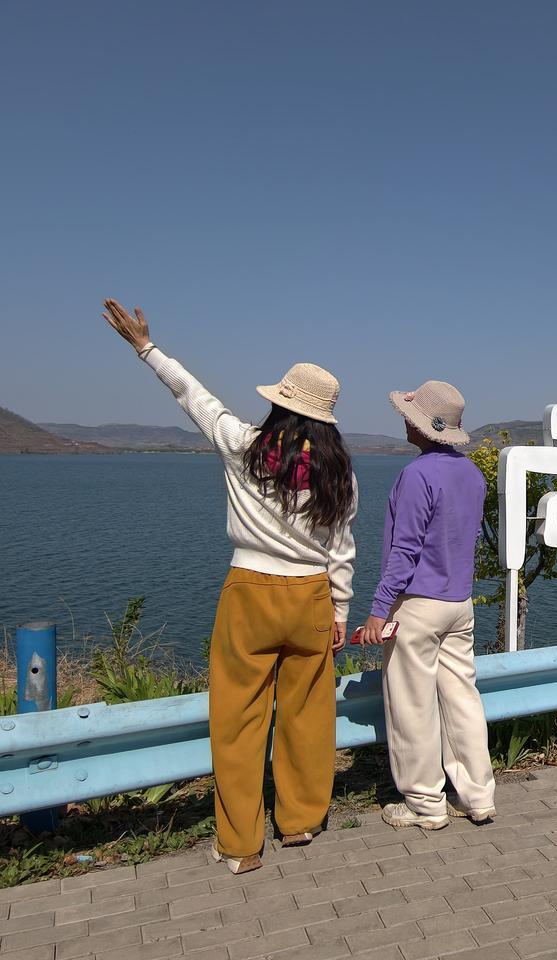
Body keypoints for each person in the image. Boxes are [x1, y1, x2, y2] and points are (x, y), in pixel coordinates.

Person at [101, 299, 357, 874]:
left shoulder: (244, 447)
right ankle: (299, 822)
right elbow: (342, 549)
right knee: (307, 715)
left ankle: (241, 844)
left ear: (277, 406)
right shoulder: (339, 473)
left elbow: (193, 396)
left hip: (250, 593)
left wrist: (146, 348)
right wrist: (340, 609)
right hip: (312, 598)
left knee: (239, 720)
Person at [359, 379, 494, 830]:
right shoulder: (471, 474)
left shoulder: (417, 475)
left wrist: (380, 608)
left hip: (417, 606)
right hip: (459, 603)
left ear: (424, 428)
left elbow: (405, 552)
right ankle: (478, 796)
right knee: (462, 701)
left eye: (410, 417)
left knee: (413, 706)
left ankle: (426, 804)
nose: (404, 421)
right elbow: (467, 539)